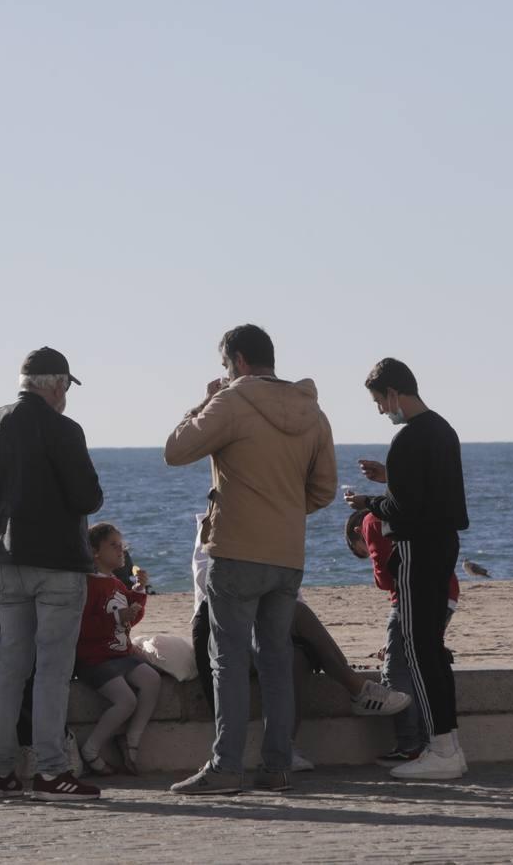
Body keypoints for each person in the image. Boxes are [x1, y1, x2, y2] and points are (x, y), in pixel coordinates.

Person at [163, 324, 343, 794]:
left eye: (225, 365)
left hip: (237, 550)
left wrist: (203, 403)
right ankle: (277, 765)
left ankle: (226, 767)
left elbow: (175, 451)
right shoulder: (312, 410)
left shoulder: (231, 402)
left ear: (238, 361)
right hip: (287, 555)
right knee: (276, 660)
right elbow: (323, 489)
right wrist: (282, 510)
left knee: (228, 661)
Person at [0, 347, 104, 802]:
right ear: (56, 384)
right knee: (52, 670)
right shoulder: (63, 429)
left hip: (7, 564)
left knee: (9, 667)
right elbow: (88, 497)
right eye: (65, 388)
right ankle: (50, 772)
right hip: (59, 565)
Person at [187, 512, 410, 773]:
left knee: (297, 657)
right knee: (294, 613)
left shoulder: (273, 540)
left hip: (261, 639)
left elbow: (288, 599)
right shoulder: (214, 532)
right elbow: (213, 589)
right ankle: (357, 688)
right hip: (222, 637)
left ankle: (284, 748)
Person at [344, 357, 470, 779]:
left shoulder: (408, 439)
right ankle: (447, 745)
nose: (382, 410)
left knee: (418, 651)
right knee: (432, 649)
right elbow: (432, 493)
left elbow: (405, 507)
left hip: (419, 549)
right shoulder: (443, 429)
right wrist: (391, 479)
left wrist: (369, 503)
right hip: (444, 546)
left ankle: (441, 748)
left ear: (394, 394)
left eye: (380, 401)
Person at [0, 547, 83, 780]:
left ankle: (52, 751)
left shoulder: (33, 552)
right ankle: (16, 762)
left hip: (26, 624)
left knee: (32, 673)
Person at [346, 509, 460, 762]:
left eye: (362, 550)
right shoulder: (403, 515)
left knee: (395, 670)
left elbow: (385, 578)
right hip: (445, 594)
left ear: (358, 533)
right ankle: (428, 741)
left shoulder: (371, 521)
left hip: (412, 599)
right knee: (417, 662)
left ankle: (410, 745)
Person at [75, 522, 160, 776]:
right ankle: (90, 750)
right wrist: (117, 616)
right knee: (126, 700)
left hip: (120, 654)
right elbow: (83, 628)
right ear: (94, 552)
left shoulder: (116, 584)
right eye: (113, 546)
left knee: (152, 680)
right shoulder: (88, 585)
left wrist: (139, 591)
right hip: (95, 659)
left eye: (121, 546)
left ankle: (131, 740)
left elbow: (129, 620)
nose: (120, 551)